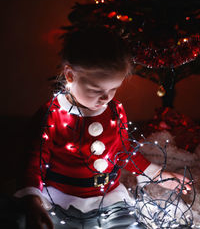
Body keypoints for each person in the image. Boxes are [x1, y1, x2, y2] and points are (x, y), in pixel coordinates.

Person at [14, 27, 191, 229]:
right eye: (96, 90)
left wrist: (157, 174)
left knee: (132, 224)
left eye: (113, 89)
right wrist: (31, 200)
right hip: (60, 198)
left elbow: (125, 151)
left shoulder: (114, 111)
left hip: (109, 199)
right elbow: (33, 161)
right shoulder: (51, 114)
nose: (106, 98)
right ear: (70, 75)